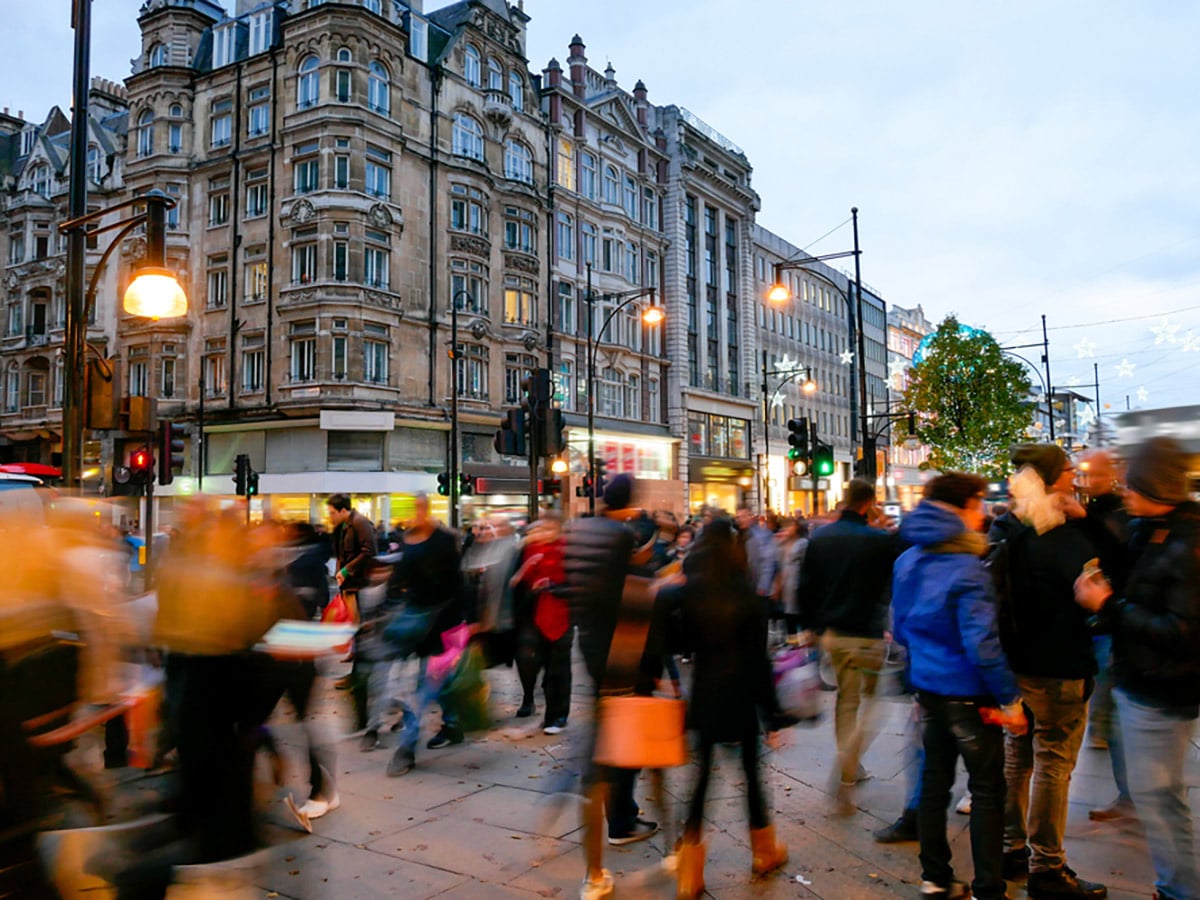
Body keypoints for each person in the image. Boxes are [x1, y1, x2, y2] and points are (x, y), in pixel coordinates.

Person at [1075, 437, 1200, 900]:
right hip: (1143, 680)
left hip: (1161, 690)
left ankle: (1179, 890)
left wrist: (1108, 603)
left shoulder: (1187, 543)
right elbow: (1125, 559)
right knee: (1160, 797)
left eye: (1132, 480)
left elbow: (1181, 630)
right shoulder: (1155, 528)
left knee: (1157, 798)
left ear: (1154, 484)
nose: (1124, 488)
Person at [893, 473, 1028, 900]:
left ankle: (935, 879)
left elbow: (898, 629)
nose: (984, 512)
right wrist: (1010, 699)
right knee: (988, 788)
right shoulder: (970, 569)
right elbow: (981, 643)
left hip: (929, 688)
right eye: (978, 503)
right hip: (970, 694)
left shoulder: (908, 560)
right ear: (962, 508)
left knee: (934, 784)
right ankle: (989, 887)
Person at [646, 517, 790, 898]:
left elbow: (662, 620)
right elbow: (759, 661)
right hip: (741, 694)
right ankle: (764, 852)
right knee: (752, 778)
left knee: (701, 782)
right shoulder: (747, 593)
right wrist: (771, 714)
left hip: (706, 693)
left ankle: (690, 872)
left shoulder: (688, 590)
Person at [990, 445, 1107, 899]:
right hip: (1059, 666)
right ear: (1052, 478)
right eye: (1068, 469)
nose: (1076, 474)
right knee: (1054, 765)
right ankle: (1048, 868)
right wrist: (1088, 519)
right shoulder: (1063, 536)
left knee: (1018, 761)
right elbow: (1111, 568)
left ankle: (1010, 847)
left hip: (1017, 665)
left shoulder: (1009, 528)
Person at [562, 473, 661, 900]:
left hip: (588, 642)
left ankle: (622, 810)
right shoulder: (622, 537)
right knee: (626, 732)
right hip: (620, 647)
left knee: (611, 723)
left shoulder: (579, 529)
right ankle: (621, 819)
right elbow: (635, 584)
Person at [795, 478, 899, 813]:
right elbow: (889, 586)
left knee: (846, 701)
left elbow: (806, 586)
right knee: (873, 705)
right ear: (869, 502)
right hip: (867, 633)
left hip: (833, 634)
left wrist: (811, 627)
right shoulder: (877, 540)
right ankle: (846, 766)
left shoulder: (821, 537)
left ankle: (850, 766)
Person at [383, 492, 465, 777]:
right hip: (414, 624)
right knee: (431, 684)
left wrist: (466, 622)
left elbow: (459, 582)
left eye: (418, 508)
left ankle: (406, 749)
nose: (414, 513)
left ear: (427, 509)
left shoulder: (445, 540)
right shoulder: (406, 540)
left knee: (423, 687)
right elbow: (399, 581)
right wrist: (389, 606)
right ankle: (453, 723)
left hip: (442, 624)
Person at [1076, 449, 1134, 821]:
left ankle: (1132, 797)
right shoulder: (1096, 511)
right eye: (1084, 474)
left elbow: (1117, 553)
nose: (1087, 480)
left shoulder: (1117, 515)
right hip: (1097, 623)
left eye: (1094, 474)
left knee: (1116, 715)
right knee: (1110, 709)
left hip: (1111, 624)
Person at [511, 514, 572, 734]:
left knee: (558, 669)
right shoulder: (528, 551)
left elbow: (575, 585)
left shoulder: (567, 552)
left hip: (559, 614)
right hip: (533, 613)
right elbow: (516, 581)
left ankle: (557, 716)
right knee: (536, 663)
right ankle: (548, 712)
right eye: (539, 530)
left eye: (548, 529)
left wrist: (551, 586)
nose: (542, 534)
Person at [325, 494, 376, 622]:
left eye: (332, 513)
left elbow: (369, 551)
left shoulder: (360, 522)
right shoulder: (341, 526)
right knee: (349, 618)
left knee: (354, 620)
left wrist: (346, 570)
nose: (330, 517)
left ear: (343, 511)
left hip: (357, 582)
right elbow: (340, 554)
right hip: (347, 582)